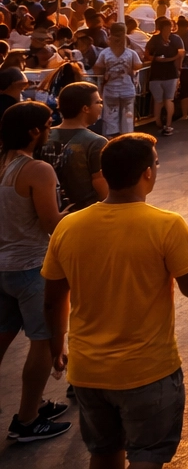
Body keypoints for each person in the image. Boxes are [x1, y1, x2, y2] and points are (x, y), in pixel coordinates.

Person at [42, 132, 188, 468]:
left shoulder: (68, 226)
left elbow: (53, 299)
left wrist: (57, 346)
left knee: (103, 453)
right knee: (147, 456)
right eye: (156, 163)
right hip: (147, 371)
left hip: (87, 371)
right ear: (147, 173)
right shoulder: (165, 224)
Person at [0, 102, 70, 441]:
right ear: (33, 131)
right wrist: (71, 213)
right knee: (42, 342)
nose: (50, 130)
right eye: (47, 125)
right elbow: (50, 223)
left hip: (3, 266)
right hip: (31, 266)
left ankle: (36, 404)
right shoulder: (37, 169)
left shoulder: (3, 164)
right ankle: (27, 420)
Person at [42, 81, 108, 211]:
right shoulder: (96, 142)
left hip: (48, 210)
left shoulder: (45, 136)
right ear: (85, 109)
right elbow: (100, 182)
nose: (101, 106)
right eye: (98, 102)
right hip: (84, 212)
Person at [93, 23, 142, 139]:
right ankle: (125, 138)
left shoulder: (106, 53)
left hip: (115, 90)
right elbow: (138, 65)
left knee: (113, 117)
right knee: (125, 117)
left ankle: (115, 138)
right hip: (123, 89)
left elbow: (97, 68)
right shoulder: (130, 53)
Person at [144, 18, 184, 135]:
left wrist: (155, 59)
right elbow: (181, 53)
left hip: (156, 73)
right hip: (171, 73)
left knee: (158, 100)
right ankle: (168, 124)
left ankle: (158, 123)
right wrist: (176, 63)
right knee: (169, 99)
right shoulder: (176, 39)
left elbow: (147, 53)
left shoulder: (154, 39)